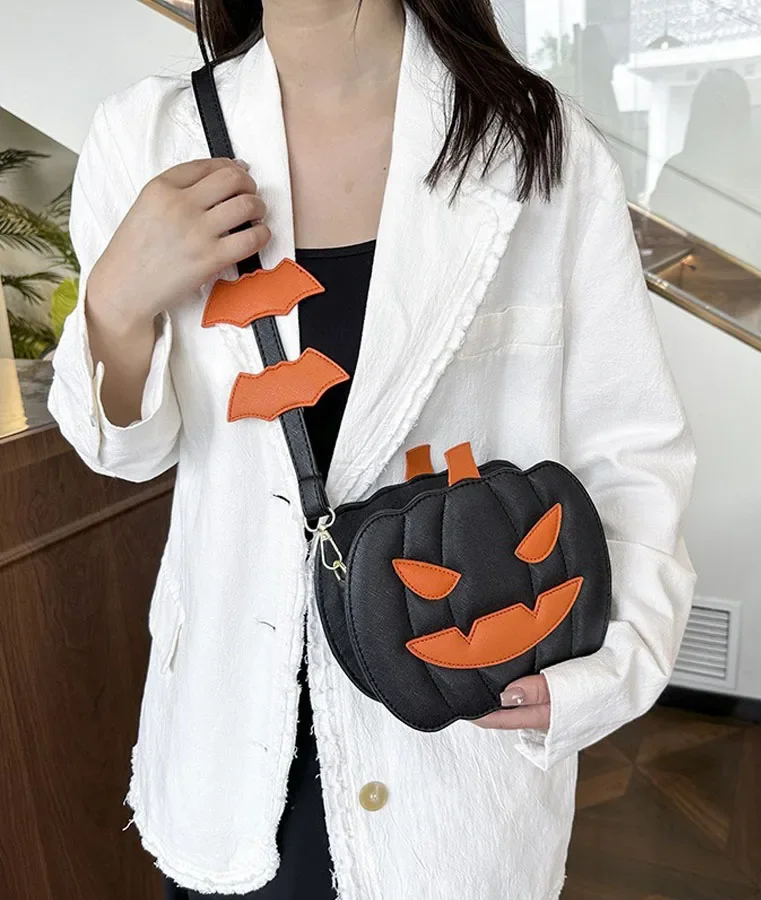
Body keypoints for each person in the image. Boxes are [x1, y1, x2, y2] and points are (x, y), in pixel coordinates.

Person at [48, 1, 697, 897]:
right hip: (229, 746)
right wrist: (117, 304)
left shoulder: (536, 145)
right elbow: (128, 451)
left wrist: (608, 665)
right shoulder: (146, 136)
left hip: (458, 747)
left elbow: (631, 445)